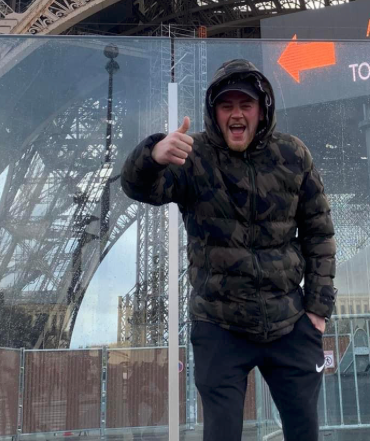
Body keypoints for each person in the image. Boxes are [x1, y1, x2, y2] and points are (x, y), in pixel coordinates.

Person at [121, 59, 336, 441]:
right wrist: (153, 155)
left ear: (261, 109)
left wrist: (317, 312)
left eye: (246, 104)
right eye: (226, 105)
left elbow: (319, 233)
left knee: (305, 434)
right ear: (214, 112)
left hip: (289, 323)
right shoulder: (194, 156)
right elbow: (139, 189)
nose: (236, 113)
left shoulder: (293, 154)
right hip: (220, 327)